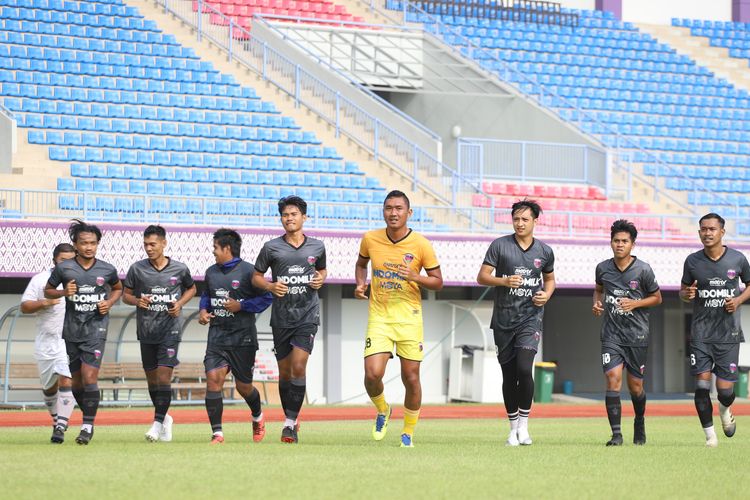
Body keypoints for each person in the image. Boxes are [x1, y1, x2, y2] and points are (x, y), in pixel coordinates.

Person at [355, 190, 443, 448]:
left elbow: (438, 282)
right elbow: (361, 264)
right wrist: (361, 284)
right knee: (372, 374)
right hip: (379, 316)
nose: (393, 213)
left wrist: (416, 278)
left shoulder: (421, 244)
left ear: (409, 212)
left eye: (398, 208)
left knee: (411, 377)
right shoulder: (370, 239)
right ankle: (383, 409)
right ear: (383, 211)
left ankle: (408, 432)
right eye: (388, 208)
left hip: (409, 319)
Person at [476, 199, 555, 446]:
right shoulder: (499, 246)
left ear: (535, 221)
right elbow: (482, 277)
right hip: (503, 321)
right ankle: (512, 429)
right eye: (516, 219)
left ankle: (524, 426)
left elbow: (550, 280)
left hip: (530, 319)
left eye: (525, 219)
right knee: (509, 376)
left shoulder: (544, 251)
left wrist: (547, 294)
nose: (520, 224)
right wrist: (503, 281)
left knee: (524, 368)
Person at [252, 196, 327, 444]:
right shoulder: (271, 247)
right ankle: (292, 418)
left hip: (307, 315)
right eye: (285, 215)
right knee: (284, 374)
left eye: (294, 214)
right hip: (282, 318)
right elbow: (256, 277)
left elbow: (323, 270)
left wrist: (321, 278)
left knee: (298, 366)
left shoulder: (317, 246)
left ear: (304, 217)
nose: (289, 218)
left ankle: (288, 425)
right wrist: (271, 286)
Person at [45, 220, 122, 445]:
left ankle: (88, 426)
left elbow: (118, 288)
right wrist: (61, 292)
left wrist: (109, 302)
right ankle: (86, 415)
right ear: (75, 244)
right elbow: (48, 291)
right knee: (77, 383)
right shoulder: (64, 268)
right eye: (84, 243)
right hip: (71, 331)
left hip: (96, 330)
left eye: (93, 243)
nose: (88, 247)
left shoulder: (107, 269)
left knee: (90, 377)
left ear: (98, 244)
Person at [680, 213, 750, 447]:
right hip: (700, 334)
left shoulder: (738, 259)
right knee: (701, 387)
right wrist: (687, 294)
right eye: (703, 229)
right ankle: (710, 437)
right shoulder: (692, 261)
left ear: (722, 232)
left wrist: (738, 300)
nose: (707, 233)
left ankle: (725, 408)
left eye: (711, 229)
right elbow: (683, 291)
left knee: (725, 392)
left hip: (727, 335)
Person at [198, 228, 273, 444]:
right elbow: (206, 296)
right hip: (217, 337)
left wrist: (241, 305)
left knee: (244, 387)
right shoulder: (211, 272)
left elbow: (267, 298)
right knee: (213, 380)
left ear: (227, 248)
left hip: (243, 339)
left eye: (215, 247)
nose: (213, 251)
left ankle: (258, 416)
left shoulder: (250, 272)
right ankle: (217, 433)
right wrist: (203, 312)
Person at [122, 225, 197, 443]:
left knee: (164, 378)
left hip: (170, 330)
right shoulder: (137, 269)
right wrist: (138, 300)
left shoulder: (180, 269)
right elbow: (126, 295)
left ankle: (155, 425)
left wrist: (180, 304)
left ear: (164, 243)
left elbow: (191, 289)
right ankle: (165, 419)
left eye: (153, 244)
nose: (148, 248)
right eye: (145, 244)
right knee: (153, 382)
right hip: (146, 331)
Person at [592, 220, 662, 446]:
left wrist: (635, 304)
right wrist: (597, 303)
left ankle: (639, 420)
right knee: (613, 379)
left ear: (633, 244)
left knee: (636, 387)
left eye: (624, 241)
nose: (619, 245)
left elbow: (657, 298)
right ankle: (616, 435)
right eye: (616, 241)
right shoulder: (602, 268)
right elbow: (599, 289)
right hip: (611, 335)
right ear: (610, 243)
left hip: (637, 336)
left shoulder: (643, 269)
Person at [20, 243, 77, 443]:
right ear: (55, 260)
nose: (67, 264)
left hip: (68, 340)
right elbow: (24, 306)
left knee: (66, 378)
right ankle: (56, 420)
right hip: (45, 341)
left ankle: (61, 426)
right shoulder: (41, 280)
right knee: (49, 388)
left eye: (71, 260)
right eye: (63, 260)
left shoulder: (80, 280)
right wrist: (44, 302)